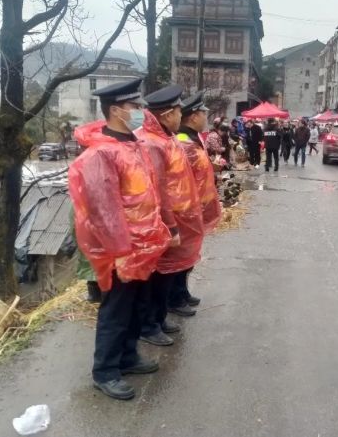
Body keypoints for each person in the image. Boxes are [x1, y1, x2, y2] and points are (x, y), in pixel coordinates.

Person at [68, 79, 171, 400]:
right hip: (120, 251)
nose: (140, 112)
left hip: (142, 248)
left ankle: (127, 357)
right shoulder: (101, 154)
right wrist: (120, 252)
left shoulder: (133, 145)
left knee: (134, 307)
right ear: (115, 110)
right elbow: (104, 211)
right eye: (134, 107)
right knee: (115, 311)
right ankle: (105, 371)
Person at [136, 85, 205, 347]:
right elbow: (159, 188)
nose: (181, 115)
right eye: (178, 111)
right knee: (157, 276)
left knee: (166, 274)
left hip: (175, 217)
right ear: (166, 115)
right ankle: (149, 324)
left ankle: (159, 317)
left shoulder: (167, 138)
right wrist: (170, 225)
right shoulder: (152, 143)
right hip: (162, 221)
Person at [175, 92, 222, 310]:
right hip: (184, 207)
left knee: (188, 254)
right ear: (193, 117)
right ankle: (174, 298)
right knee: (179, 255)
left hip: (195, 206)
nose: (206, 117)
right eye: (204, 113)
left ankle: (182, 292)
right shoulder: (183, 141)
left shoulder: (194, 137)